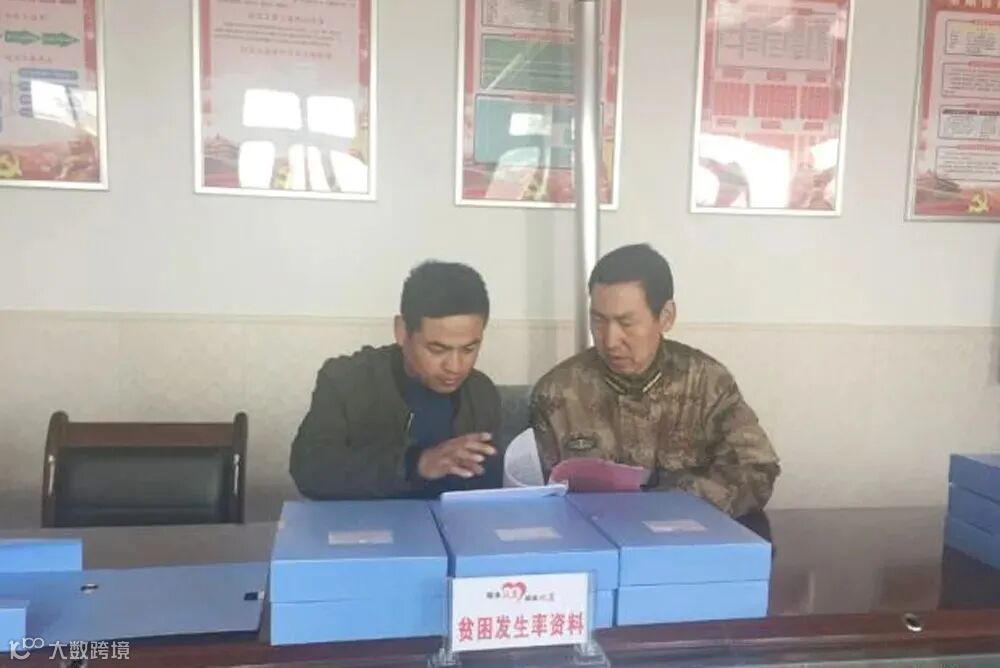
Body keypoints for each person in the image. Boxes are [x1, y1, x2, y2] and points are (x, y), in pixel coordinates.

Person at [530, 244, 780, 517]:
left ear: (666, 317)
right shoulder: (557, 393)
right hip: (589, 535)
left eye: (626, 323)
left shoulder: (707, 382)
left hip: (687, 533)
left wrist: (670, 497)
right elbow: (536, 496)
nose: (610, 341)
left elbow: (757, 471)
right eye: (599, 321)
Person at [290, 261, 502, 499]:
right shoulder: (347, 380)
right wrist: (416, 465)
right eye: (437, 349)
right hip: (365, 521)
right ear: (402, 331)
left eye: (468, 349)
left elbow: (488, 489)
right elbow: (310, 470)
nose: (455, 367)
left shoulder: (480, 393)